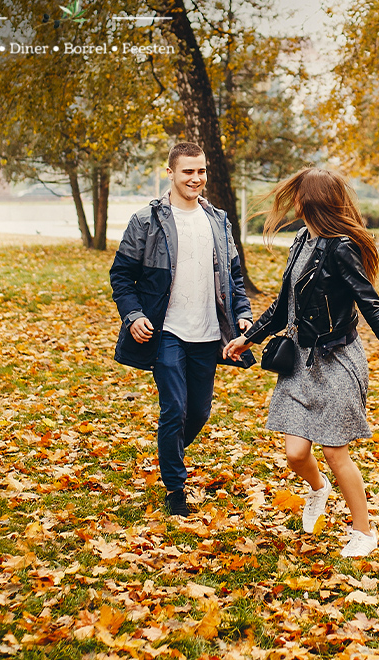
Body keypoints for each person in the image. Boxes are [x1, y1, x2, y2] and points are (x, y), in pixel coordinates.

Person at [223, 167, 379, 558]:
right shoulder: (301, 240)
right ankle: (319, 490)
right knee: (296, 453)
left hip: (337, 359)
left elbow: (372, 306)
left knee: (335, 452)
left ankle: (363, 532)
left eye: (299, 194)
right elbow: (285, 305)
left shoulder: (341, 247)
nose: (294, 201)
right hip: (299, 360)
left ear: (310, 200)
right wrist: (247, 337)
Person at [109, 142, 254, 517]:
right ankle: (176, 488)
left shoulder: (219, 220)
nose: (196, 178)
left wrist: (243, 314)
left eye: (201, 171)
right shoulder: (147, 221)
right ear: (170, 173)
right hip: (167, 331)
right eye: (188, 171)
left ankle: (168, 451)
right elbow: (121, 276)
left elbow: (234, 277)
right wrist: (134, 314)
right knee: (174, 408)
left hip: (208, 333)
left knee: (199, 412)